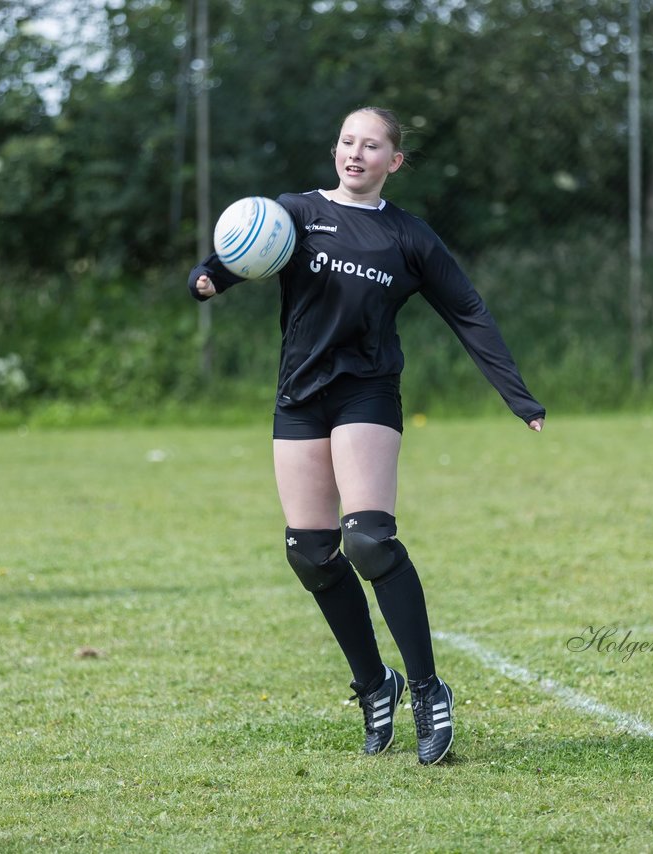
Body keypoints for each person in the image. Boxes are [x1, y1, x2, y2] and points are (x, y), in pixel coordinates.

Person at [188, 107, 545, 765]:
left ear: (393, 161)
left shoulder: (407, 238)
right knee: (311, 552)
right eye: (348, 142)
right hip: (299, 396)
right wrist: (210, 276)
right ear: (336, 151)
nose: (356, 153)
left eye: (372, 145)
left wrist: (517, 394)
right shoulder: (292, 214)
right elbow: (244, 249)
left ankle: (429, 690)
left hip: (366, 391)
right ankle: (373, 682)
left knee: (369, 541)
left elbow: (468, 311)